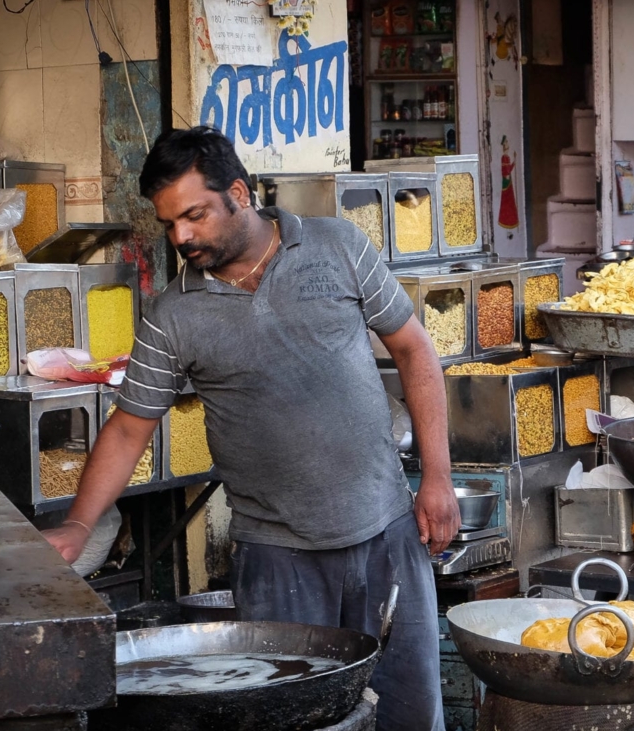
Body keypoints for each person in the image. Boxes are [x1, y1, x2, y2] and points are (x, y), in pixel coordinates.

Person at [42, 127, 460, 730]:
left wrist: (438, 477)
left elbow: (415, 352)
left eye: (194, 216)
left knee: (407, 717)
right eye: (169, 224)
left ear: (238, 192)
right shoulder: (173, 314)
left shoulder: (338, 245)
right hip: (277, 560)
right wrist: (80, 525)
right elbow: (130, 428)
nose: (180, 236)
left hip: (387, 535)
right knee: (293, 721)